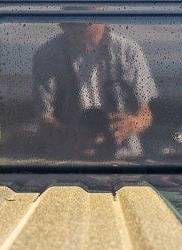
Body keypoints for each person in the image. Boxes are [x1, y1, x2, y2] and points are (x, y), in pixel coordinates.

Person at [31, 22, 158, 161]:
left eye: (86, 23)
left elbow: (146, 114)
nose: (79, 28)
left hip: (125, 159)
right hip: (68, 161)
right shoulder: (47, 55)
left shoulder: (128, 51)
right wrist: (65, 132)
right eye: (73, 22)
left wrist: (131, 124)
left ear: (102, 19)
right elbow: (43, 119)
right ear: (64, 24)